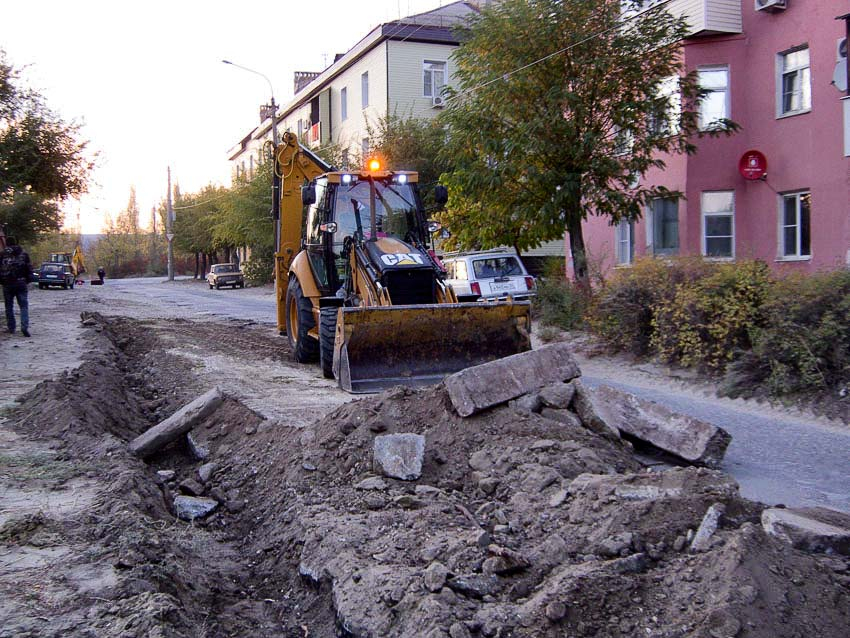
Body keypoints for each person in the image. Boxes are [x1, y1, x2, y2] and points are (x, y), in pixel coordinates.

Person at [1, 237, 32, 337]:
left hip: (7, 284)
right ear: (16, 243)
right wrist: (28, 280)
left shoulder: (2, 255)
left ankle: (11, 327)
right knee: (23, 306)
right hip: (21, 282)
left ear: (6, 243)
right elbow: (29, 268)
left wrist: (1, 281)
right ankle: (24, 327)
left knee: (8, 306)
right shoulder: (24, 254)